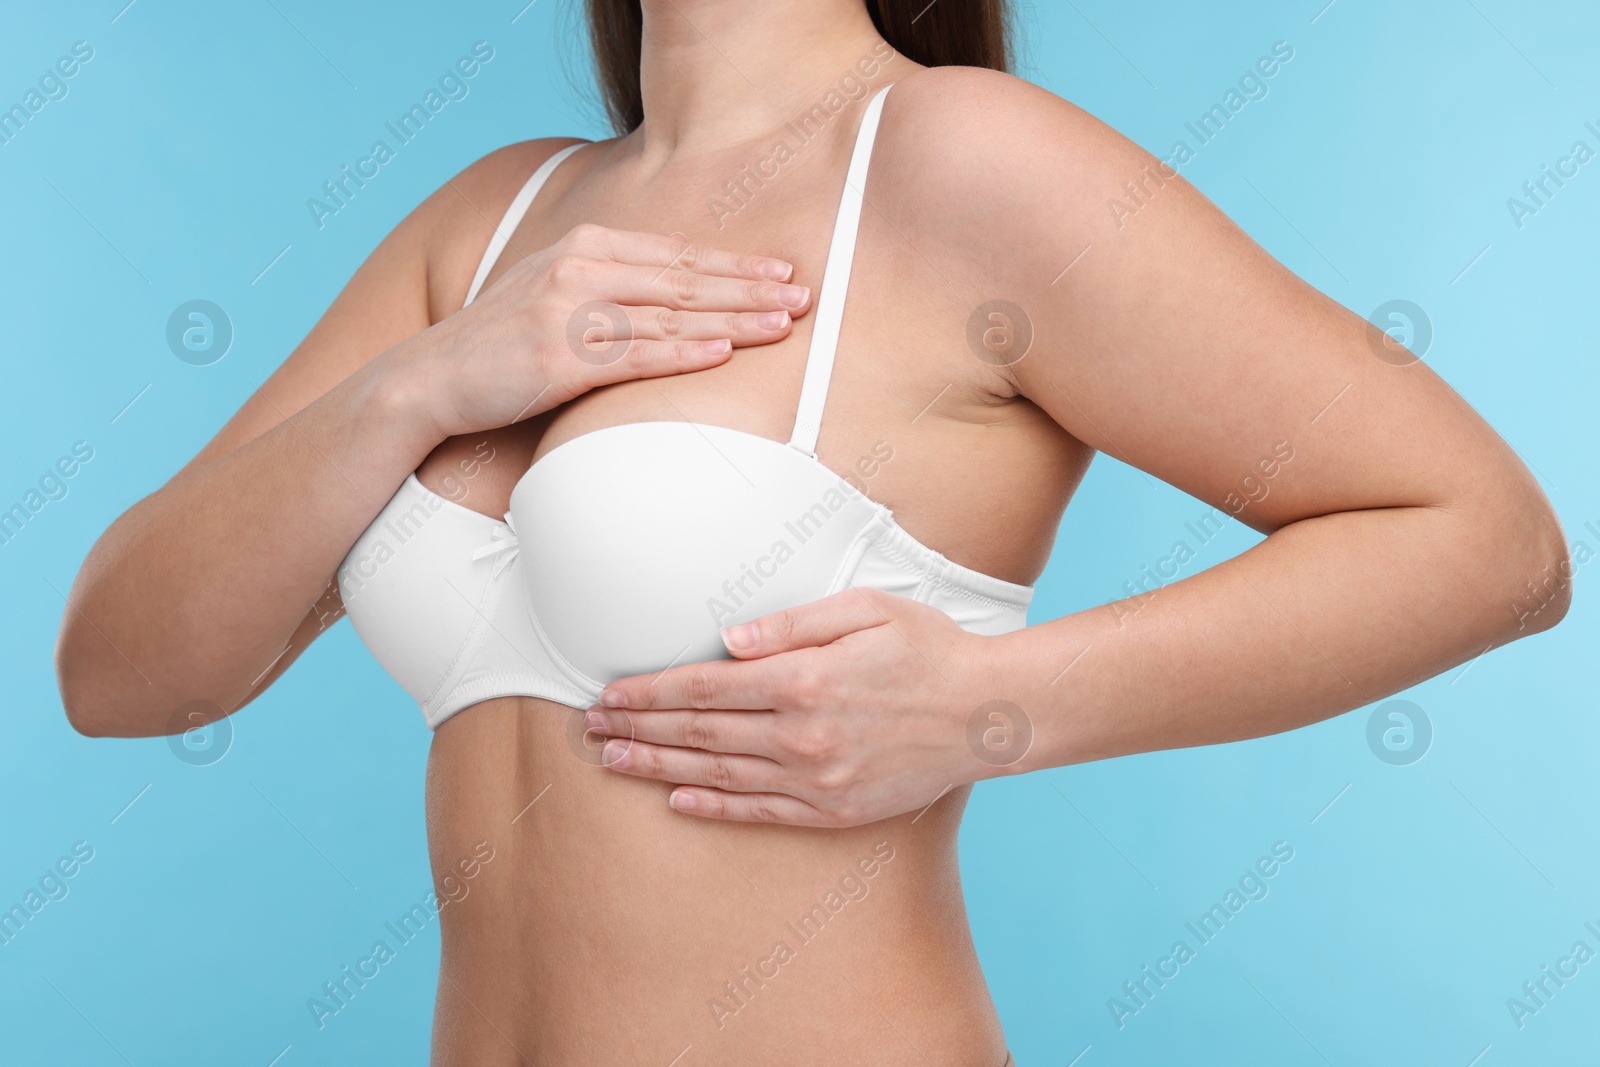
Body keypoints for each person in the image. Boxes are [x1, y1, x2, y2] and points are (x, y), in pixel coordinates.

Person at [54, 1, 1569, 1063]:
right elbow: (121, 674)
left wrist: (992, 707)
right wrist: (423, 381)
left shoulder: (962, 161)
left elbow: (1491, 542)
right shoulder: (495, 223)